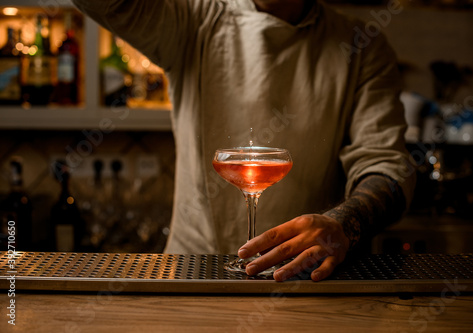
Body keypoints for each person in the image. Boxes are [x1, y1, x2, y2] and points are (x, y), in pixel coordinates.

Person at [72, 0, 416, 282]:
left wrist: (342, 224)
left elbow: (386, 166)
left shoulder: (362, 45)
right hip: (195, 271)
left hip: (307, 278)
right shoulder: (192, 17)